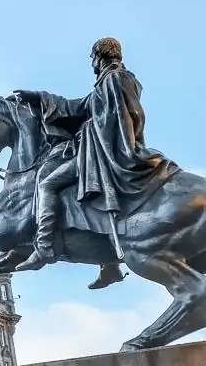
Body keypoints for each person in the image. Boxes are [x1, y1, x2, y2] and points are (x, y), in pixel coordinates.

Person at [15, 37, 176, 277]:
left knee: (47, 183)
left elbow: (117, 117)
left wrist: (95, 134)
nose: (92, 62)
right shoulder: (114, 80)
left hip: (102, 154)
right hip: (103, 149)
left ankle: (45, 246)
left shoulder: (112, 80)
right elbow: (80, 107)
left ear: (100, 56)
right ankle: (107, 262)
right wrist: (39, 97)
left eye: (92, 57)